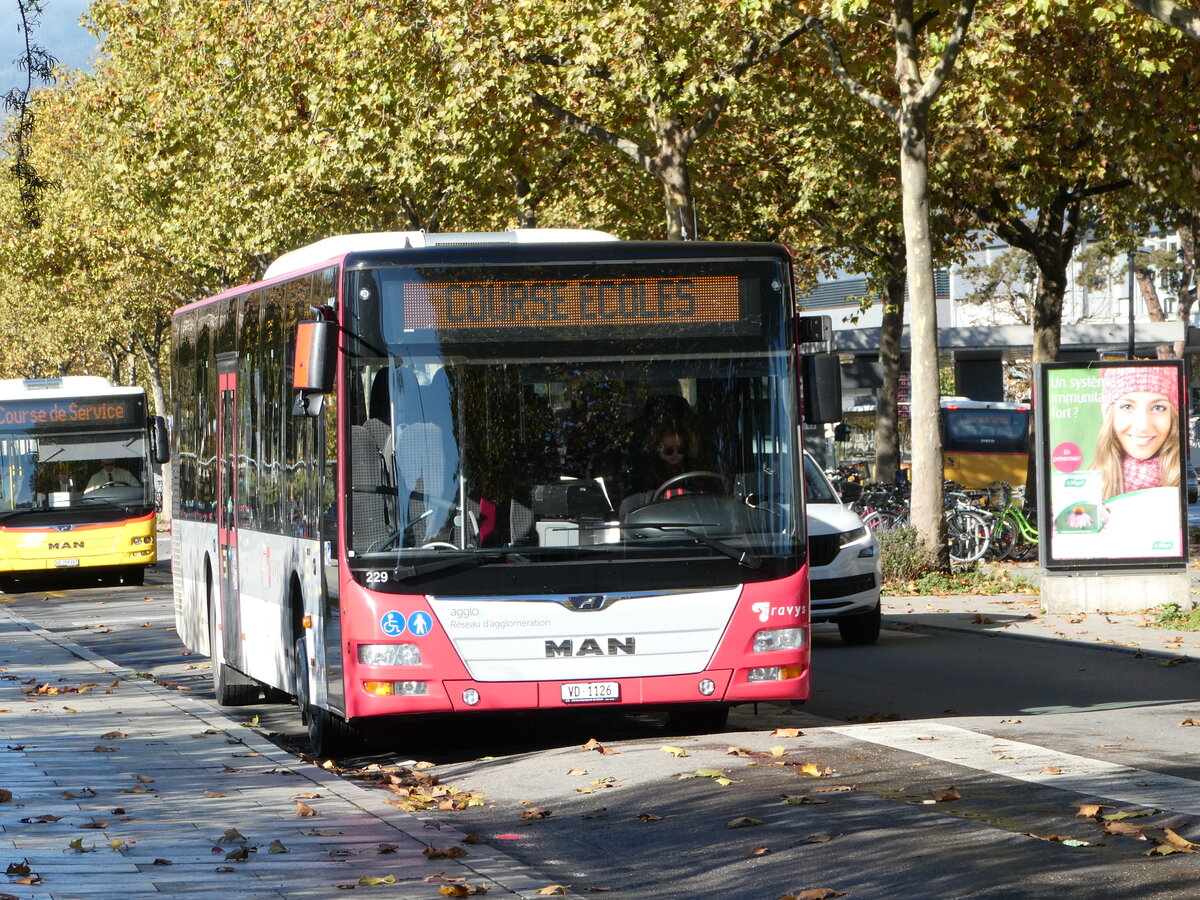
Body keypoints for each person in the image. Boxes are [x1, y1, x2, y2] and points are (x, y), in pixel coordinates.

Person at [1093, 366, 1180, 501]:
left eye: (1158, 407)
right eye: (1127, 407)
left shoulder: (1187, 483)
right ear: (1110, 416)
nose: (1143, 425)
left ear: (1173, 416)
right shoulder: (1083, 491)